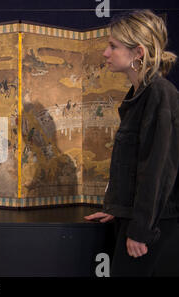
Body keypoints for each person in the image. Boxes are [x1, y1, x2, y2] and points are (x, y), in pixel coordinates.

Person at [84, 10, 179, 277]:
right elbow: (134, 166)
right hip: (137, 220)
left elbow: (157, 171)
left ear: (138, 52)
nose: (105, 53)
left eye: (113, 46)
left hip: (153, 230)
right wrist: (118, 208)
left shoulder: (160, 94)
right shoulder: (139, 94)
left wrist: (140, 231)